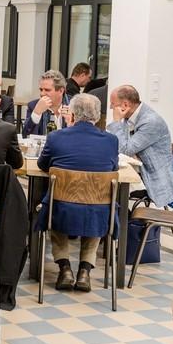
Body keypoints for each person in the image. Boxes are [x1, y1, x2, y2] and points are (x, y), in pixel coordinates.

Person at [36, 94, 119, 292]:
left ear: (71, 114)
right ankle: (85, 271)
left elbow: (42, 165)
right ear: (97, 116)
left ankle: (65, 268)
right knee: (99, 205)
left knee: (55, 204)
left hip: (62, 208)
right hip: (98, 212)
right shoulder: (111, 141)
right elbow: (113, 167)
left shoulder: (56, 137)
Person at [107, 85, 173, 207]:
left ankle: (121, 223)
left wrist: (116, 122)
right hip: (142, 175)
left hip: (155, 183)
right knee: (110, 189)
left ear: (125, 105)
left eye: (113, 104)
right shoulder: (130, 118)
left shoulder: (150, 122)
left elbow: (124, 150)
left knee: (110, 192)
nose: (110, 107)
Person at [23, 70, 71, 137]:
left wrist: (72, 121)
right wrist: (36, 114)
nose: (42, 94)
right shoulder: (34, 105)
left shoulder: (74, 106)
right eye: (41, 90)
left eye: (47, 90)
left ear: (61, 91)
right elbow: (25, 135)